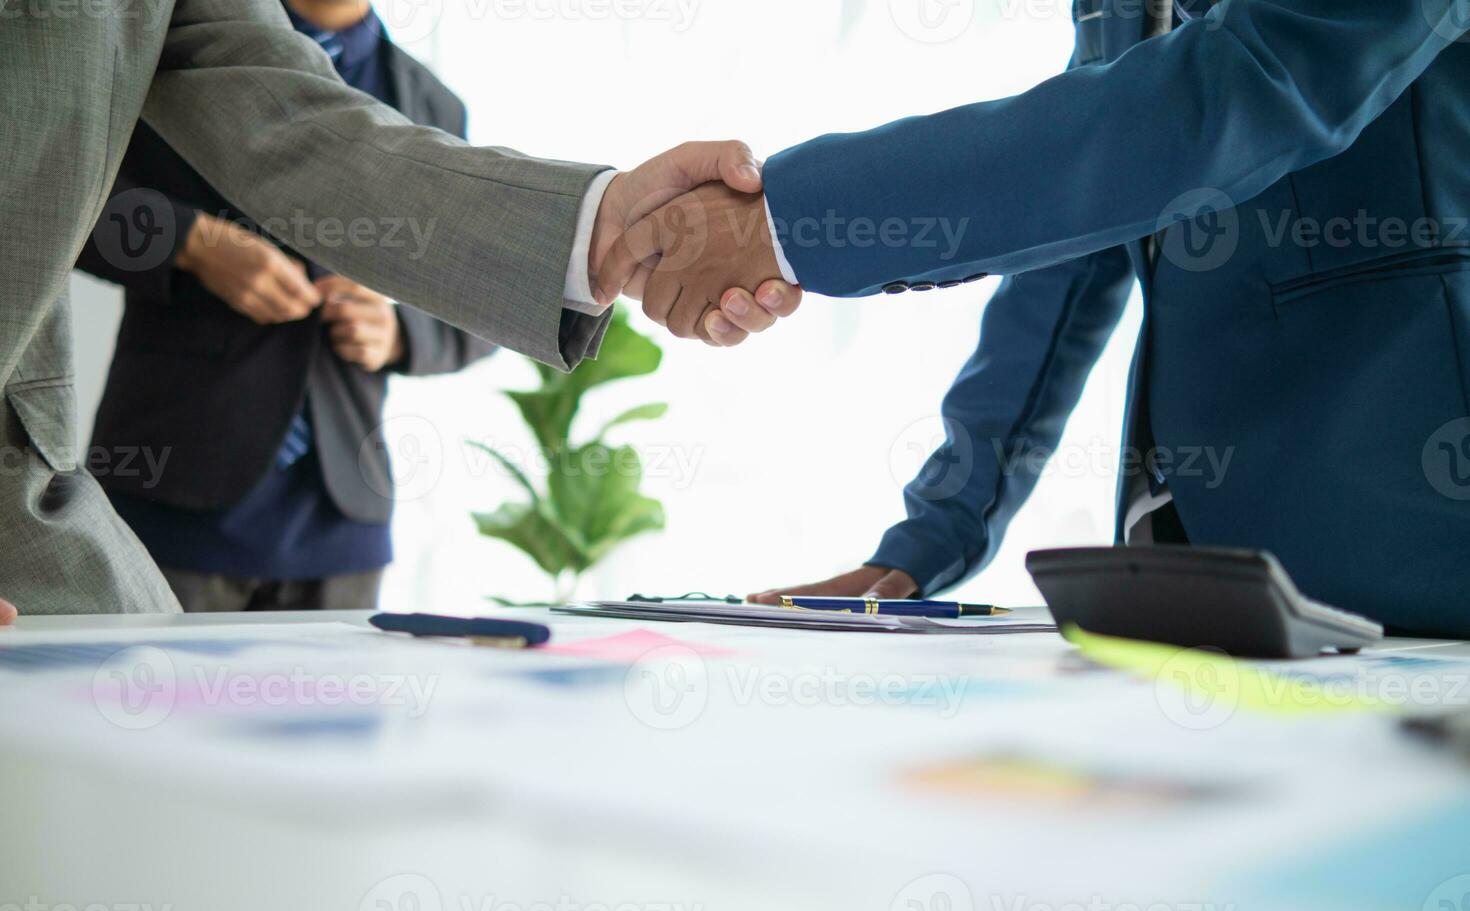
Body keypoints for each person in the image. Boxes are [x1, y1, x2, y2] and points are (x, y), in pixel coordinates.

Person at [603, 0, 1470, 637]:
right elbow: (1074, 246)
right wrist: (931, 537)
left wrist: (788, 220)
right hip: (1212, 596)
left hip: (1425, 572)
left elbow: (1225, 98)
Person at [0, 0, 799, 619]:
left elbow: (306, 139)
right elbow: (74, 196)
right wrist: (189, 243)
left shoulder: (424, 96)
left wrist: (602, 231)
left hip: (340, 498)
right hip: (173, 470)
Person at [75, 0, 500, 612]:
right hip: (169, 486)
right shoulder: (172, 50)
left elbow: (483, 297)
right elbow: (54, 194)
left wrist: (401, 331)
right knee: (153, 705)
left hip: (342, 518)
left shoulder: (434, 105)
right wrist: (190, 242)